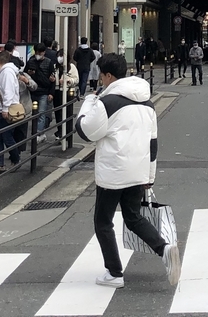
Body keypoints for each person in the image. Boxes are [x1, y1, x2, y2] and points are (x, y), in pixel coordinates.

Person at [77, 54, 180, 289]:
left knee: (103, 221)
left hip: (113, 171)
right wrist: (150, 177)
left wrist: (87, 105)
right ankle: (164, 249)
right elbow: (153, 143)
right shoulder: (147, 103)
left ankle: (114, 273)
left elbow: (85, 132)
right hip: (139, 170)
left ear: (109, 76)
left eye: (101, 76)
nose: (100, 80)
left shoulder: (107, 103)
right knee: (133, 217)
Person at [0, 50, 23, 174]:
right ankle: (1, 163)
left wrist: (5, 108)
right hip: (0, 109)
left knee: (6, 137)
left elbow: (8, 91)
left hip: (5, 110)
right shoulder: (6, 72)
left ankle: (15, 159)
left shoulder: (7, 73)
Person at [26, 42, 57, 139]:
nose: (38, 55)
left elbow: (53, 79)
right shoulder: (31, 61)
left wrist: (51, 93)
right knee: (32, 114)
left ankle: (39, 134)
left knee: (41, 113)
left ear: (44, 52)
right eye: (37, 52)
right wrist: (29, 74)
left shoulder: (49, 62)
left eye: (40, 52)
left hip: (44, 91)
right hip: (32, 91)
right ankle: (38, 132)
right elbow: (25, 73)